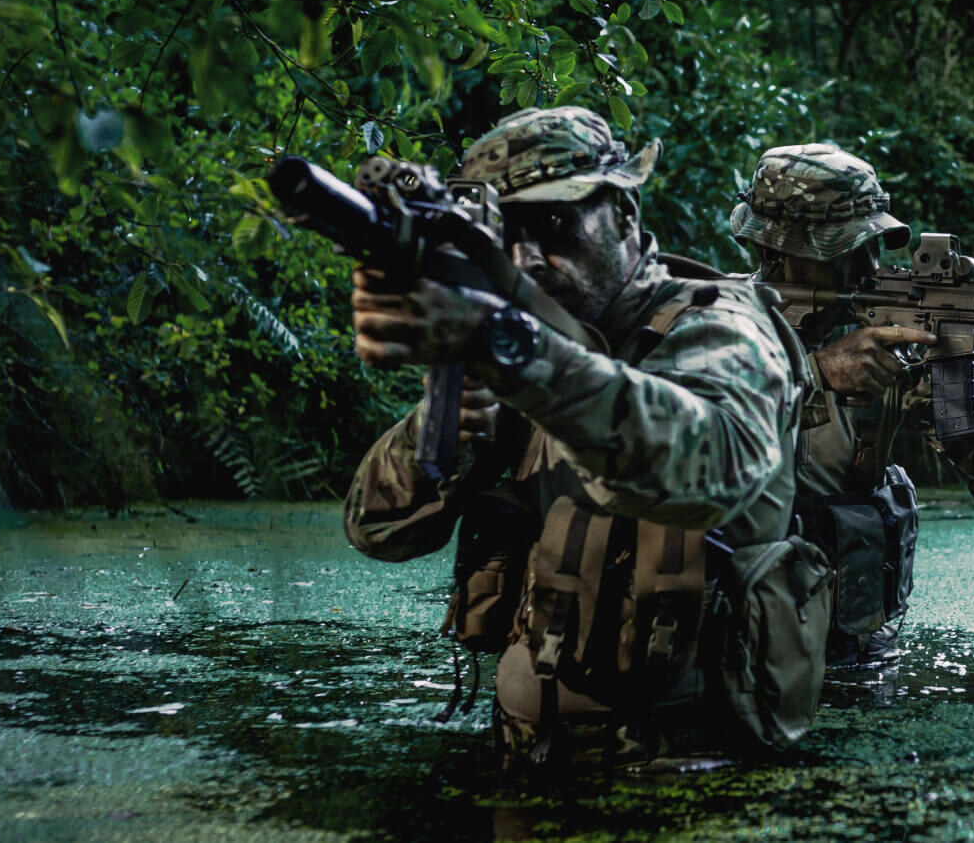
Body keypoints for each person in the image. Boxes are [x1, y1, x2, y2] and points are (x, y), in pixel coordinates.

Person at [341, 107, 817, 769]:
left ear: (625, 213)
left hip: (694, 769)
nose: (529, 256)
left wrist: (517, 356)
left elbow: (717, 466)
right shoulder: (528, 346)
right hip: (532, 758)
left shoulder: (719, 327)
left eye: (555, 223)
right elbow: (379, 530)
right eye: (507, 233)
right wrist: (446, 424)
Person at [727, 143, 974, 668]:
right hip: (721, 647)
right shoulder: (709, 324)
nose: (870, 264)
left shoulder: (886, 344)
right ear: (780, 251)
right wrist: (816, 374)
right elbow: (660, 437)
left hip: (843, 653)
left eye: (872, 243)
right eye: (845, 248)